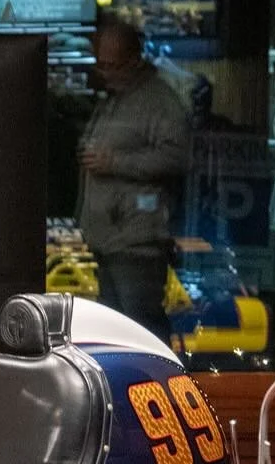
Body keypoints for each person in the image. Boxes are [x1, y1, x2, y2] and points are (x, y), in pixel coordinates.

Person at [76, 18, 191, 343]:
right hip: (110, 237)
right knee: (114, 329)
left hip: (137, 239)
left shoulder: (159, 102)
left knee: (142, 327)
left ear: (134, 60)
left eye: (112, 66)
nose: (105, 73)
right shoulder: (116, 98)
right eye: (101, 65)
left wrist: (116, 162)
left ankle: (159, 388)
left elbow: (178, 157)